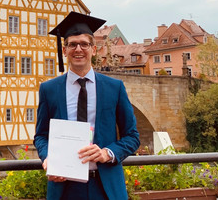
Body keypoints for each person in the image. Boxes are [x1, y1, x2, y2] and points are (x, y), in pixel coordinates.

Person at [34, 12, 140, 200]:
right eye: (72, 44)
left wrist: (107, 153)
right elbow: (41, 136)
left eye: (84, 44)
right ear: (64, 49)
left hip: (105, 186)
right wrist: (47, 159)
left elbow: (132, 136)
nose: (78, 49)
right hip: (64, 188)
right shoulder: (49, 89)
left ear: (94, 48)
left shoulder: (114, 88)